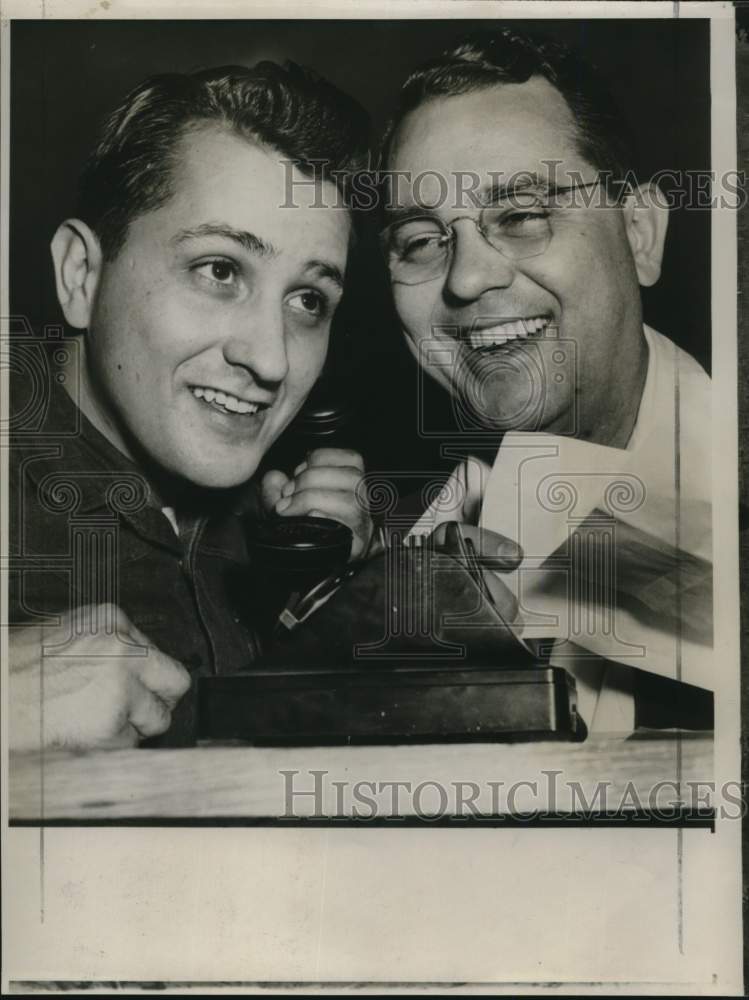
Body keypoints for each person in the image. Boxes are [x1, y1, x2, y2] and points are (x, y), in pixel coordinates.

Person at [8, 62, 373, 751]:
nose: (271, 360)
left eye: (308, 301)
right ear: (81, 274)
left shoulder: (271, 516)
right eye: (220, 270)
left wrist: (342, 602)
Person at [376, 27, 713, 732]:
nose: (467, 278)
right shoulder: (396, 547)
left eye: (522, 216)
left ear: (641, 233)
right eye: (419, 242)